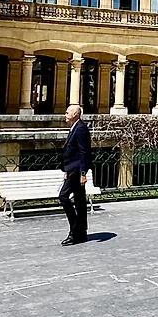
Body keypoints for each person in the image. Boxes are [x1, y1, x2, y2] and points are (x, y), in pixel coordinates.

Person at [59, 104, 91, 246]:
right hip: (72, 169)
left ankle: (75, 230)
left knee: (63, 196)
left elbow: (84, 152)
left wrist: (83, 173)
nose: (65, 115)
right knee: (79, 201)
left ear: (75, 114)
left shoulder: (81, 128)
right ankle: (81, 233)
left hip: (77, 170)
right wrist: (66, 170)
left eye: (67, 113)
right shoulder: (75, 127)